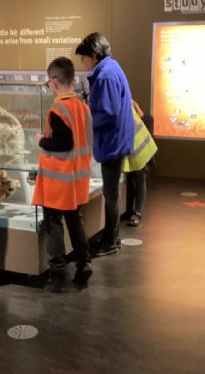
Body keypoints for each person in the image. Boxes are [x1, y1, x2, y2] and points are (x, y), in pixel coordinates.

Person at [32, 56, 93, 292]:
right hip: (77, 177)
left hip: (58, 180)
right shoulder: (83, 108)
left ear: (54, 81)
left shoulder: (58, 110)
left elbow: (62, 143)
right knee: (75, 221)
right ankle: (84, 263)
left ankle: (58, 273)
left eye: (48, 82)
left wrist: (41, 140)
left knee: (54, 225)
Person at [75, 32, 134, 257]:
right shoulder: (111, 68)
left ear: (93, 55)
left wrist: (87, 115)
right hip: (116, 140)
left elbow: (108, 113)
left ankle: (110, 241)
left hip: (112, 142)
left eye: (83, 57)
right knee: (112, 193)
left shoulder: (106, 75)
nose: (83, 62)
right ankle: (111, 237)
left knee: (111, 194)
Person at [122, 100, 157, 227]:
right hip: (133, 153)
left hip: (142, 153)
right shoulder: (127, 106)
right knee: (131, 181)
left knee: (139, 180)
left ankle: (137, 212)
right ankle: (129, 210)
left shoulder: (128, 109)